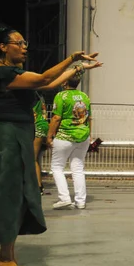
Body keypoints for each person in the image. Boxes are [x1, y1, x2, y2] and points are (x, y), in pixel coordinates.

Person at [0, 23, 99, 266]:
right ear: (3, 47)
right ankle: (4, 258)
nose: (24, 47)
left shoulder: (14, 73)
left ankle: (7, 257)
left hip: (18, 136)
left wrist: (79, 68)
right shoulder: (3, 74)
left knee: (17, 196)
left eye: (25, 43)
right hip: (8, 138)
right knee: (9, 196)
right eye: (19, 43)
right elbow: (44, 79)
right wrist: (72, 58)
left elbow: (49, 86)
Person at [47, 73, 93, 210]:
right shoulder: (85, 96)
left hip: (65, 136)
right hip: (83, 135)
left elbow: (56, 118)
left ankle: (64, 198)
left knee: (57, 167)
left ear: (65, 82)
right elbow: (89, 117)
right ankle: (80, 201)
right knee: (78, 168)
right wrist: (89, 133)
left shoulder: (61, 96)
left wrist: (49, 136)